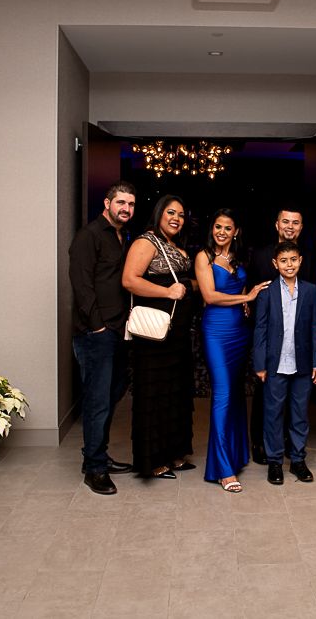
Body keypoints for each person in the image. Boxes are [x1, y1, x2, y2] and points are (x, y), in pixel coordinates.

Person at [194, 209, 271, 492]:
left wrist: (246, 304)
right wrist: (246, 296)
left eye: (227, 228)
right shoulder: (204, 256)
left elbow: (238, 292)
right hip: (216, 331)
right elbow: (210, 296)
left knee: (237, 393)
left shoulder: (237, 258)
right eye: (217, 227)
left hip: (240, 331)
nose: (222, 232)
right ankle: (223, 468)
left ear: (235, 231)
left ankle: (236, 454)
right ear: (212, 228)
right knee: (223, 395)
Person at [69, 181, 137, 496]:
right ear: (107, 203)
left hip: (118, 330)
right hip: (97, 333)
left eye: (131, 204)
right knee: (97, 402)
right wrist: (97, 326)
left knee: (112, 395)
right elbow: (82, 286)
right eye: (121, 202)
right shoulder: (89, 236)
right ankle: (94, 469)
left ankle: (98, 455)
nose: (126, 209)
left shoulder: (122, 237)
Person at [122, 194, 196, 479]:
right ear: (159, 214)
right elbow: (129, 280)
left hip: (175, 335)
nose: (176, 218)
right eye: (170, 212)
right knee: (153, 395)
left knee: (174, 394)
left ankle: (173, 454)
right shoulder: (146, 242)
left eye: (180, 214)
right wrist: (167, 292)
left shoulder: (173, 245)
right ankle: (152, 461)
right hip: (154, 337)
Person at [253, 240, 316, 485]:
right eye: (283, 261)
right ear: (275, 264)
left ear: (300, 260)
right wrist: (260, 363)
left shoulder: (310, 290)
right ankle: (274, 462)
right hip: (275, 364)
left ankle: (297, 460)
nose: (289, 264)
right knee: (273, 414)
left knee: (299, 414)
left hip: (303, 363)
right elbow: (260, 329)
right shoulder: (266, 292)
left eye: (293, 259)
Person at [246, 206, 310, 464]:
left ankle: (287, 442)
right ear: (277, 224)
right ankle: (260, 442)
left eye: (296, 222)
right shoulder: (261, 255)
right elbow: (250, 288)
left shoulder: (308, 256)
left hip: (298, 337)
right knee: (265, 393)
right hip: (269, 336)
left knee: (294, 395)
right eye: (286, 221)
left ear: (301, 227)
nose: (290, 226)